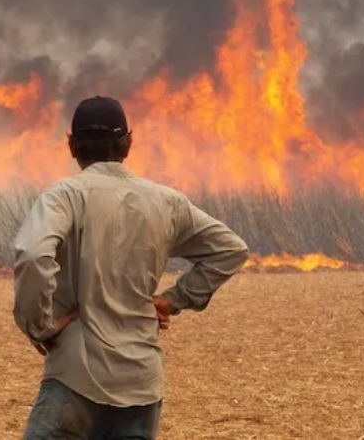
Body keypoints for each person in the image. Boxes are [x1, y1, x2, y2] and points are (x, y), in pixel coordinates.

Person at [13, 96, 249, 440]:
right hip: (141, 383)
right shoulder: (166, 202)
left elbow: (34, 254)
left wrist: (40, 326)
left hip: (75, 376)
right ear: (129, 143)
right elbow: (231, 249)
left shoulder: (63, 197)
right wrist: (172, 299)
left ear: (72, 145)